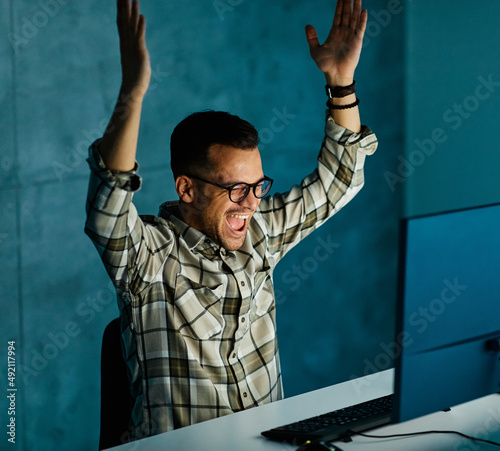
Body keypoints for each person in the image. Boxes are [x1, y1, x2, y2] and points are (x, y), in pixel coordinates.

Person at [85, 0, 378, 442]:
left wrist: (340, 83)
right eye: (235, 189)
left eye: (258, 186)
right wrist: (133, 91)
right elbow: (108, 206)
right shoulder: (150, 259)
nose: (251, 204)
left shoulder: (260, 231)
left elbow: (341, 179)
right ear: (187, 189)